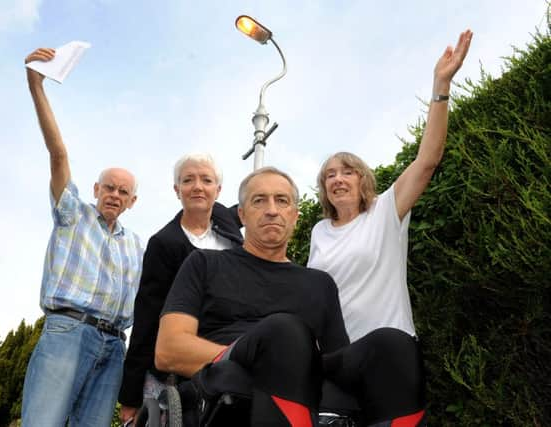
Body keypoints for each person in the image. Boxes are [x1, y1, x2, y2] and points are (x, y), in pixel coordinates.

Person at [156, 167, 426, 427]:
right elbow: (169, 350)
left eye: (281, 201)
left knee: (395, 345)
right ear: (242, 214)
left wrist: (294, 364)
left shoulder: (320, 283)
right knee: (285, 333)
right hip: (226, 377)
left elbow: (338, 363)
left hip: (302, 380)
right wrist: (267, 359)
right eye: (259, 201)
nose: (272, 210)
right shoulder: (204, 263)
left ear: (295, 215)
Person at [307, 29, 474, 422]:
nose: (338, 179)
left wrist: (441, 86)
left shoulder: (385, 210)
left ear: (363, 179)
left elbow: (428, 159)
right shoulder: (317, 232)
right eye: (330, 174)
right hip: (333, 363)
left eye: (347, 171)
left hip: (388, 357)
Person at [21, 48, 144, 427]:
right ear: (96, 188)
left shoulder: (134, 245)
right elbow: (58, 155)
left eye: (123, 192)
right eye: (109, 187)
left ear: (132, 201)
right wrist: (36, 84)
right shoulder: (73, 214)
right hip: (67, 332)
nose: (114, 195)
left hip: (113, 346)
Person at [118, 153, 243, 425]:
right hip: (176, 368)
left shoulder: (231, 233)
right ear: (177, 190)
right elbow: (147, 317)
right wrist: (130, 395)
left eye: (206, 180)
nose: (197, 186)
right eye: (188, 180)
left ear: (218, 190)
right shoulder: (164, 243)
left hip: (228, 358)